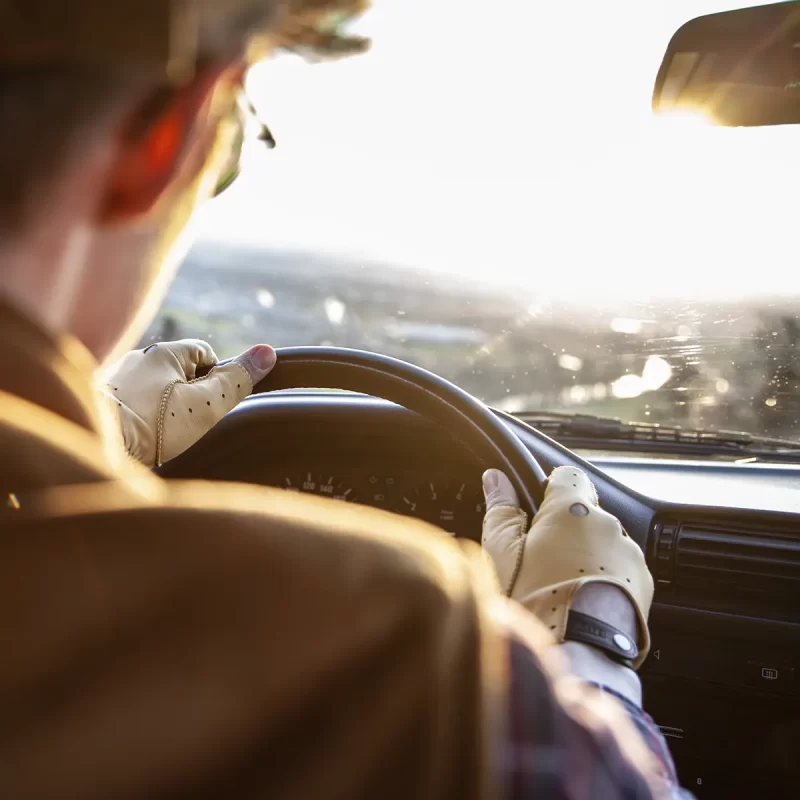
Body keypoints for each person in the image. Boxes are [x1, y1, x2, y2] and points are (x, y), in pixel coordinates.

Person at [0, 2, 690, 797]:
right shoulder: (415, 675)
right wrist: (588, 644)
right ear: (170, 141)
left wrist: (101, 433)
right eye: (231, 142)